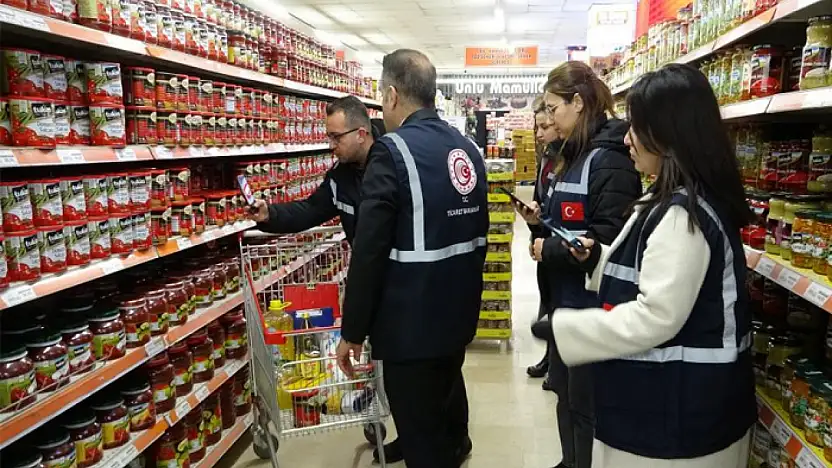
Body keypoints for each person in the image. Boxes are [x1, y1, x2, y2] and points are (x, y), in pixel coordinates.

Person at [533, 63, 756, 468]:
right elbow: (651, 273)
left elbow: (657, 315)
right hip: (679, 409)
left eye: (637, 127)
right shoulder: (680, 198)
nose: (627, 138)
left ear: (669, 135)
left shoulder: (683, 214)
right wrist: (598, 260)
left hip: (677, 422)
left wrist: (566, 327)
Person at [335, 49, 488, 468]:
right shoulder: (467, 149)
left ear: (391, 95)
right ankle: (455, 447)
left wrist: (353, 330)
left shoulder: (392, 152)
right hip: (457, 313)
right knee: (445, 397)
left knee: (420, 432)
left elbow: (369, 251)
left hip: (411, 323)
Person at [514, 61, 641, 468]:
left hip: (593, 310)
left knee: (587, 403)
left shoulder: (610, 160)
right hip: (565, 304)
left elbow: (608, 242)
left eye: (553, 109)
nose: (548, 119)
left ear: (579, 103)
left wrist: (547, 250)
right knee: (567, 395)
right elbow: (565, 218)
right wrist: (540, 223)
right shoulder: (574, 155)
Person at [249, 95, 383, 242]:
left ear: (361, 135)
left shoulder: (394, 165)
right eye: (329, 137)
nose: (331, 146)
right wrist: (269, 214)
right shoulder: (340, 175)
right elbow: (312, 209)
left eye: (336, 137)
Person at [526, 98, 562, 386]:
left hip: (562, 247)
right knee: (547, 301)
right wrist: (533, 228)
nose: (539, 134)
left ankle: (558, 364)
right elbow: (542, 199)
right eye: (536, 127)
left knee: (559, 305)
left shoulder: (569, 160)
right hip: (545, 244)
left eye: (545, 127)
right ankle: (550, 358)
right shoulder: (546, 157)